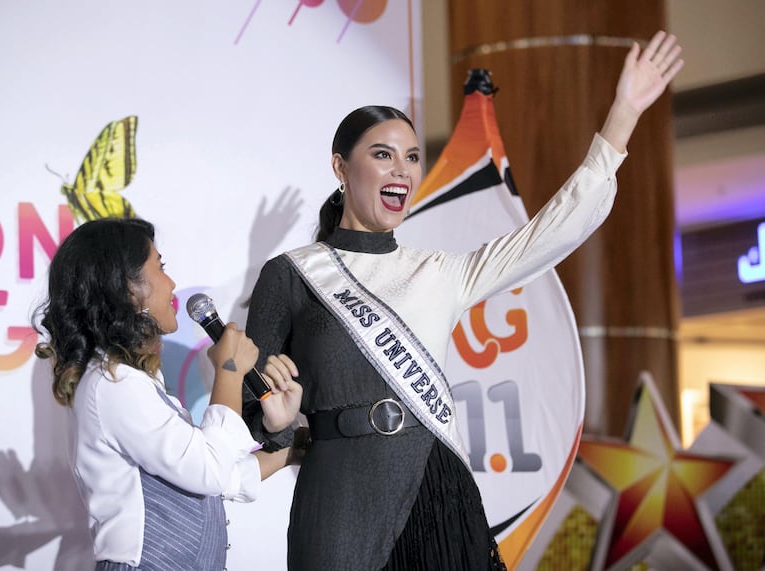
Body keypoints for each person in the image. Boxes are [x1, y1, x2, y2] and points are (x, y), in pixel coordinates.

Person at [242, 31, 684, 571]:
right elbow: (250, 410)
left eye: (410, 157)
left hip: (435, 490)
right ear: (340, 168)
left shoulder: (437, 272)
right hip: (338, 499)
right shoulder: (290, 276)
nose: (401, 170)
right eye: (382, 155)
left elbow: (551, 231)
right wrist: (279, 423)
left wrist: (623, 115)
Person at [33, 217, 303, 570]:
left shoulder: (134, 382)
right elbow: (211, 469)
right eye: (160, 267)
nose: (172, 283)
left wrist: (296, 445)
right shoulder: (113, 385)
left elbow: (224, 478)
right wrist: (230, 370)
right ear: (128, 289)